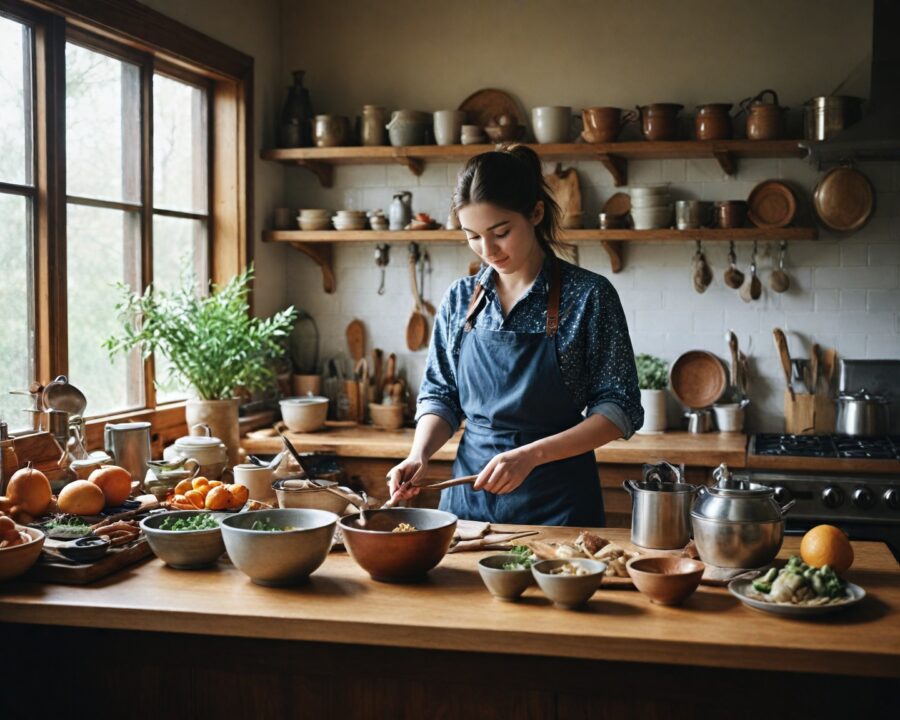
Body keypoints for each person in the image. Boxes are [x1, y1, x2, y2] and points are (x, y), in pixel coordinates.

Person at [387, 145, 643, 526]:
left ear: (536, 213)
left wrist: (532, 455)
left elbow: (619, 408)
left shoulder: (589, 296)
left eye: (500, 232)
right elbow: (441, 395)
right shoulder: (460, 299)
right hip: (468, 509)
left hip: (560, 507)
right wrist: (419, 454)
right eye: (472, 236)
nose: (487, 250)